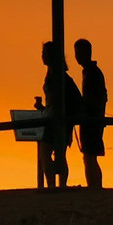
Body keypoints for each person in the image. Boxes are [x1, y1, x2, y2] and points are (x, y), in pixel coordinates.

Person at [35, 41, 82, 188]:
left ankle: (53, 186)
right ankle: (60, 185)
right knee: (58, 155)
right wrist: (43, 108)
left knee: (46, 155)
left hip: (56, 121)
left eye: (45, 53)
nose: (42, 56)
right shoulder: (57, 76)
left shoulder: (60, 78)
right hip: (56, 119)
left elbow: (66, 101)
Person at [74, 39, 108, 189]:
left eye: (79, 52)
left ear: (88, 53)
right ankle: (94, 186)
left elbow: (96, 99)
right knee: (89, 156)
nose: (77, 56)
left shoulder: (92, 73)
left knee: (89, 155)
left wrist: (87, 110)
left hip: (91, 120)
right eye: (76, 52)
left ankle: (94, 186)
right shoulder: (91, 72)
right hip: (92, 118)